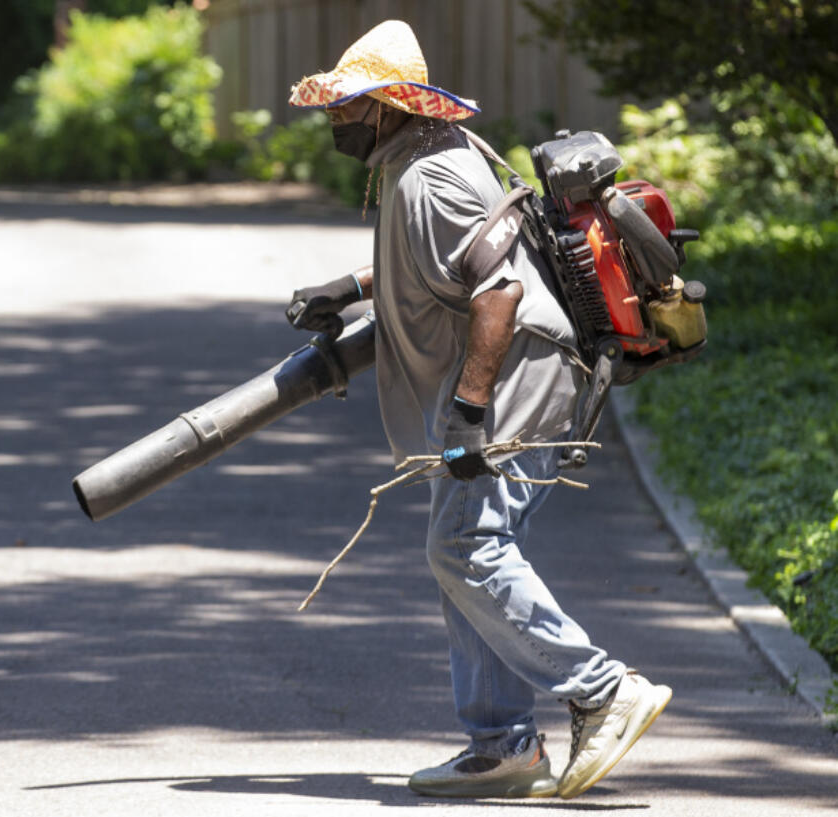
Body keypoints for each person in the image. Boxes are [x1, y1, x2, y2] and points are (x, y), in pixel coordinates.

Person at [284, 20, 671, 800]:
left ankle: (602, 690)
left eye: (350, 106)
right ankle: (502, 745)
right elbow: (454, 259)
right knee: (466, 553)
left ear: (393, 105)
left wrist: (468, 408)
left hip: (508, 386)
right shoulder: (427, 158)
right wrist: (352, 288)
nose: (336, 121)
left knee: (466, 546)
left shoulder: (427, 176)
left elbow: (499, 290)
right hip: (513, 381)